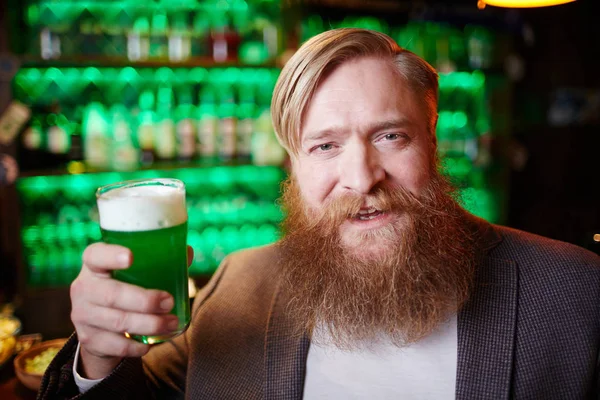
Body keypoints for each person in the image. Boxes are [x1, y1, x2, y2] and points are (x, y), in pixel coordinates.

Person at [39, 29, 600, 399]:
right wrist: (98, 357)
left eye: (390, 135)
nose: (361, 177)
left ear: (431, 142)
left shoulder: (575, 292)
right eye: (324, 146)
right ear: (294, 169)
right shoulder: (237, 286)